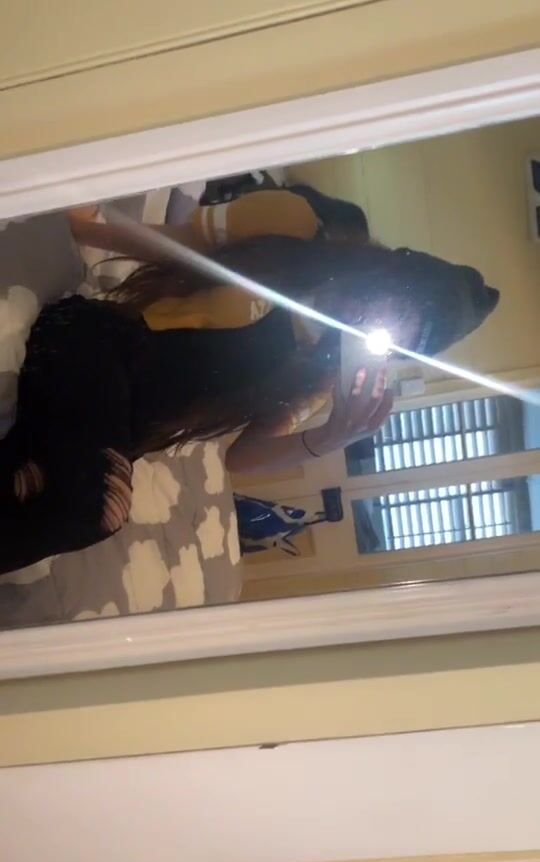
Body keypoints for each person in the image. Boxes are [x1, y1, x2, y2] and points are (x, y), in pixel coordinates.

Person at [0, 184, 499, 574]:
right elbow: (178, 245)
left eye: (392, 336)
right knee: (99, 509)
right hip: (98, 345)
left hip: (121, 428)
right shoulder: (293, 225)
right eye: (391, 304)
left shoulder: (320, 372)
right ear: (386, 270)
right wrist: (85, 227)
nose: (368, 318)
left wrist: (330, 437)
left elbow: (242, 457)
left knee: (39, 481)